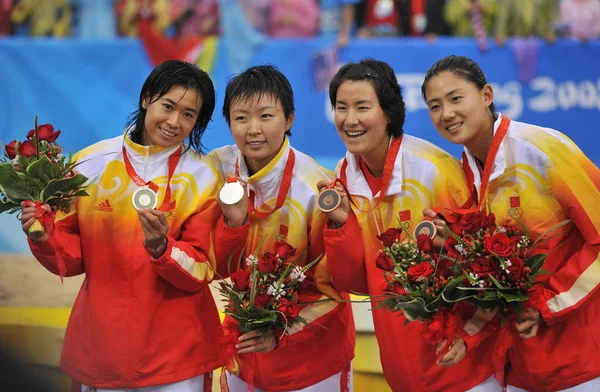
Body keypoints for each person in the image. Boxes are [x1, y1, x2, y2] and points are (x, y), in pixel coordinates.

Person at [20, 60, 232, 392]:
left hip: (177, 361)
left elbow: (204, 266)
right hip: (101, 353)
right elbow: (75, 258)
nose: (174, 122)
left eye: (189, 115)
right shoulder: (90, 165)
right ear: (147, 98)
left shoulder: (204, 177)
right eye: (168, 106)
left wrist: (162, 248)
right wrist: (45, 236)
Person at [421, 54, 600, 392]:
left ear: (486, 95)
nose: (447, 113)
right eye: (434, 106)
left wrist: (547, 304)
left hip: (581, 362)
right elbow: (493, 278)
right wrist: (466, 334)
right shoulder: (465, 179)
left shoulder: (543, 149)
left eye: (456, 98)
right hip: (518, 366)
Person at [320, 58, 499, 392]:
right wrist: (340, 224)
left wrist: (470, 335)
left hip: (464, 369)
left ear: (389, 112)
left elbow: (483, 271)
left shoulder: (436, 170)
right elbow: (356, 281)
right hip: (402, 367)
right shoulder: (344, 176)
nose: (350, 119)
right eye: (341, 108)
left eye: (362, 107)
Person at [209, 65, 355, 391]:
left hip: (314, 366)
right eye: (241, 118)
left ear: (289, 119)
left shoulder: (315, 189)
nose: (253, 129)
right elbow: (209, 263)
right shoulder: (214, 171)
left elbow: (333, 290)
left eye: (266, 116)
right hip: (243, 355)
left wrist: (280, 332)